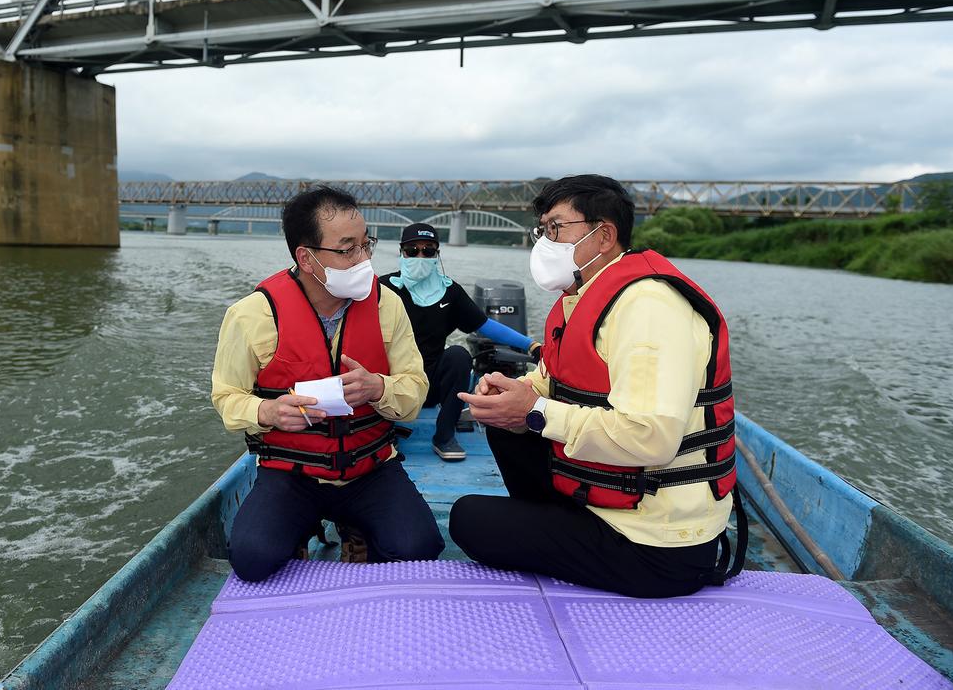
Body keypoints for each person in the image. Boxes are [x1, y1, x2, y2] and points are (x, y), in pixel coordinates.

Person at [451, 174, 745, 598]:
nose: (544, 242)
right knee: (506, 422)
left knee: (469, 519)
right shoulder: (586, 297)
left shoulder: (648, 308)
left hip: (660, 545)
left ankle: (561, 531)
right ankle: (559, 521)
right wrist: (513, 393)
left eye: (556, 229)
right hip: (611, 503)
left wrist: (534, 412)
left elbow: (652, 439)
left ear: (604, 234)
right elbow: (554, 381)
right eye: (543, 230)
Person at [211, 186, 444, 582]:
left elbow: (414, 388)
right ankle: (300, 526)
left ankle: (357, 528)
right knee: (252, 559)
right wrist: (266, 411)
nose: (364, 258)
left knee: (417, 549)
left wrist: (379, 388)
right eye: (347, 248)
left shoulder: (387, 304)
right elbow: (226, 396)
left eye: (366, 244)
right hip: (292, 473)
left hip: (369, 468)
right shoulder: (251, 315)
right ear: (307, 257)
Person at [379, 224, 539, 461]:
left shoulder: (450, 291)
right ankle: (381, 433)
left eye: (428, 251)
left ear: (437, 255)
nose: (420, 256)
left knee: (458, 354)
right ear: (402, 252)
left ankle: (444, 436)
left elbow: (484, 325)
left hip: (429, 384)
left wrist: (531, 345)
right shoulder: (383, 287)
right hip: (392, 382)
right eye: (412, 251)